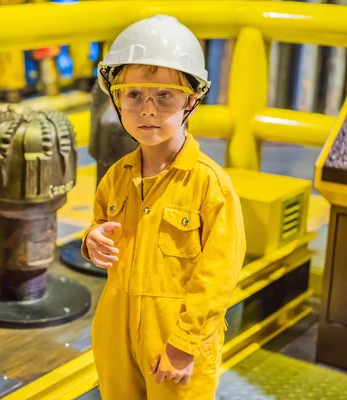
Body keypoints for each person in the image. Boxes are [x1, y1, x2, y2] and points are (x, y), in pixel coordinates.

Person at [81, 15, 247, 400]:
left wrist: (184, 344)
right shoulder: (116, 177)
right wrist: (91, 240)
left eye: (164, 95)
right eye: (134, 94)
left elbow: (217, 278)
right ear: (115, 98)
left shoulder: (210, 185)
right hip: (114, 331)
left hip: (173, 340)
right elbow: (98, 226)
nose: (148, 110)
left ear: (192, 99)